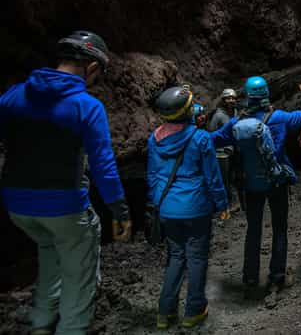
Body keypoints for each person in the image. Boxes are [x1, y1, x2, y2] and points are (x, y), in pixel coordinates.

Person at [0, 30, 131, 335]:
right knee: (79, 268)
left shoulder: (13, 95)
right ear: (93, 67)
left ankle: (41, 324)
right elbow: (103, 166)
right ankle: (72, 328)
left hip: (17, 206)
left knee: (49, 252)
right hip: (64, 206)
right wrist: (120, 210)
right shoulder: (86, 106)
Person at [212, 75, 301, 304]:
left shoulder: (237, 123)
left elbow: (214, 140)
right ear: (266, 95)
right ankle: (276, 278)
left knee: (253, 231)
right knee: (279, 229)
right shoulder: (279, 118)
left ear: (247, 97)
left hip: (251, 185)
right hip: (276, 182)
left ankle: (250, 281)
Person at [148, 86, 229, 330]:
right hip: (196, 209)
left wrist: (158, 204)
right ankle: (193, 311)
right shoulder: (200, 138)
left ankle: (165, 313)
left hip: (168, 209)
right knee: (196, 259)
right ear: (187, 111)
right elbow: (213, 177)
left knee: (175, 257)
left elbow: (152, 176)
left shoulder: (154, 139)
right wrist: (222, 204)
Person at [207, 89, 238, 210]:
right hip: (221, 153)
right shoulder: (218, 115)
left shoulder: (235, 112)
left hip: (233, 150)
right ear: (224, 100)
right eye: (228, 98)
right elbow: (212, 132)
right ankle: (223, 205)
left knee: (232, 177)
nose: (231, 100)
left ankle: (231, 201)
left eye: (233, 98)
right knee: (223, 179)